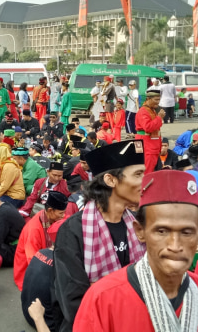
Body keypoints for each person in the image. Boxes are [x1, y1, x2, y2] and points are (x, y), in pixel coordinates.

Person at [73, 170, 198, 332]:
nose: (175, 245)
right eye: (161, 231)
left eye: (186, 232)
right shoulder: (103, 300)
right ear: (140, 231)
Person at [54, 140, 146, 332]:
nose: (145, 181)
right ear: (111, 180)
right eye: (138, 174)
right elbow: (73, 303)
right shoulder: (74, 231)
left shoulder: (138, 224)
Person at [14, 191, 68, 290]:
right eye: (61, 213)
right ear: (51, 210)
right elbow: (33, 260)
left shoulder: (50, 216)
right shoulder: (34, 229)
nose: (63, 215)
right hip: (30, 266)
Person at [135, 87, 165, 174]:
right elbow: (148, 127)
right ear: (148, 99)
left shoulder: (151, 110)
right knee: (147, 172)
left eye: (159, 99)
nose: (158, 102)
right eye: (156, 100)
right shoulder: (143, 111)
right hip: (147, 145)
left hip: (150, 144)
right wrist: (159, 117)